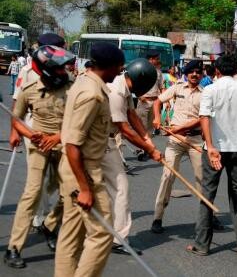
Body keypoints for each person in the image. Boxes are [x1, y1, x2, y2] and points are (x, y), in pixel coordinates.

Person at [54, 42, 125, 277]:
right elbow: (73, 143)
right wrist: (84, 188)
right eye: (119, 66)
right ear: (110, 66)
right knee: (103, 232)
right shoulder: (92, 94)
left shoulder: (84, 81)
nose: (121, 71)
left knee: (72, 232)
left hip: (74, 167)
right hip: (83, 169)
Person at [186, 54, 237, 257]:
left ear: (218, 71)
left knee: (207, 193)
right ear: (234, 71)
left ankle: (202, 244)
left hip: (215, 149)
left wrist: (211, 146)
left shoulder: (210, 90)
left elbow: (204, 117)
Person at [3, 45, 76, 269]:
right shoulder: (30, 89)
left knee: (71, 192)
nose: (66, 72)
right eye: (61, 69)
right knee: (32, 193)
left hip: (63, 143)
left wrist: (58, 137)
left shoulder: (73, 88)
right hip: (38, 146)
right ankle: (14, 247)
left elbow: (79, 121)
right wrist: (30, 134)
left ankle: (50, 225)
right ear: (46, 70)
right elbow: (17, 120)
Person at [150, 60, 223, 233]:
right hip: (175, 141)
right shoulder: (177, 87)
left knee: (202, 180)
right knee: (167, 177)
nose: (195, 74)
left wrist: (182, 128)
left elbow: (203, 118)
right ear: (187, 73)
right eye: (192, 72)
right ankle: (157, 218)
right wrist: (157, 119)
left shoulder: (206, 93)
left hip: (195, 140)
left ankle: (210, 216)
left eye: (198, 72)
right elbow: (157, 102)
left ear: (202, 75)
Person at [104, 58, 163, 255]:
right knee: (118, 190)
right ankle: (116, 239)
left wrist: (148, 139)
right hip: (98, 142)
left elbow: (133, 116)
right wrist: (150, 150)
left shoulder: (125, 86)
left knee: (115, 191)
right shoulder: (116, 91)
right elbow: (125, 129)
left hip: (107, 142)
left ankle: (113, 237)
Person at [9, 34, 67, 230]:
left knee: (59, 180)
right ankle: (40, 217)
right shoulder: (27, 70)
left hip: (60, 130)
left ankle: (51, 215)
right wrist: (15, 132)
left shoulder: (64, 71)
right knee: (37, 180)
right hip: (33, 128)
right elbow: (17, 102)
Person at [136, 51, 163, 140]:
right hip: (144, 102)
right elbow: (135, 85)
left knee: (151, 127)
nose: (158, 60)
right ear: (151, 59)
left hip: (155, 102)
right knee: (142, 126)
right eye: (157, 59)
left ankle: (148, 149)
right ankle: (143, 148)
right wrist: (140, 96)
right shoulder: (141, 69)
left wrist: (163, 100)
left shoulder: (158, 72)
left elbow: (161, 87)